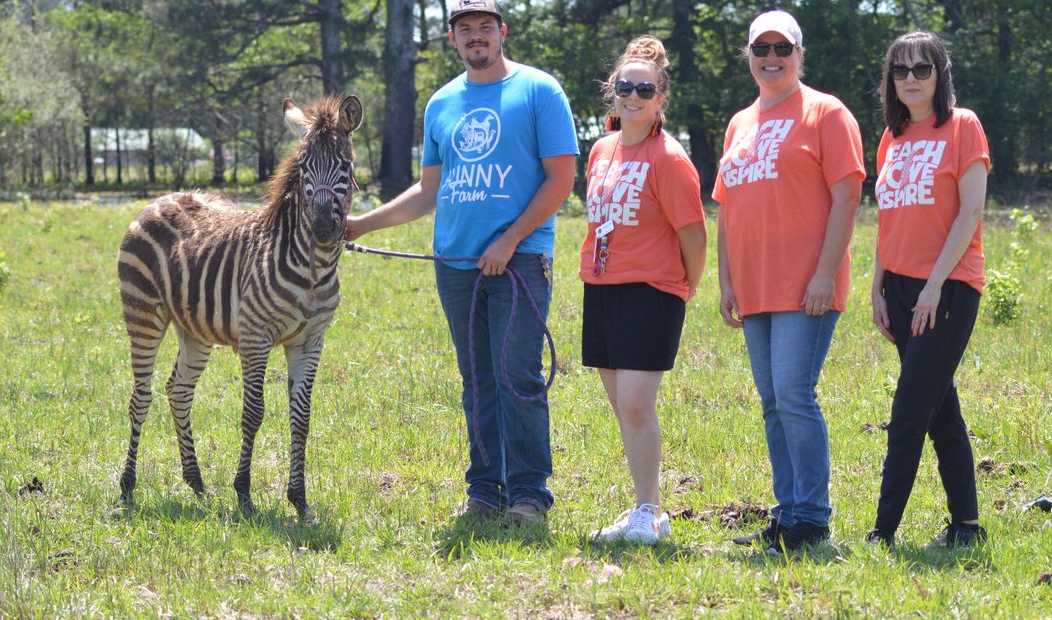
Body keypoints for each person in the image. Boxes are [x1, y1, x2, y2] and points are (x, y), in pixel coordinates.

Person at [345, 0, 578, 525]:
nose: (476, 36)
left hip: (519, 262)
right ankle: (484, 490)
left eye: (485, 27)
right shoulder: (442, 103)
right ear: (452, 38)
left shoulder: (540, 91)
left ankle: (528, 496)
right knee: (476, 380)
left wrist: (511, 240)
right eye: (465, 29)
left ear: (502, 32)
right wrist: (362, 223)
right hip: (455, 264)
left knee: (516, 375)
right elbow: (429, 191)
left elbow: (560, 180)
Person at [714, 9, 864, 554]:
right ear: (749, 56)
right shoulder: (739, 122)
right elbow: (727, 209)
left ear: (800, 54)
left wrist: (826, 272)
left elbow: (848, 195)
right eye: (762, 49)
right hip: (753, 287)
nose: (772, 58)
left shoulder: (826, 113)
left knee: (795, 395)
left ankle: (813, 519)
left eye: (783, 48)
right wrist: (726, 281)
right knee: (772, 399)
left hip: (806, 285)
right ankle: (787, 512)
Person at [580, 36, 707, 545]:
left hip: (653, 290)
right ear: (613, 91)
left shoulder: (670, 158)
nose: (633, 95)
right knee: (623, 407)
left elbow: (694, 234)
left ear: (660, 98)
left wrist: (685, 287)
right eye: (624, 86)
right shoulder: (601, 150)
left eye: (644, 89)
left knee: (635, 402)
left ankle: (650, 510)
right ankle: (641, 509)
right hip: (602, 286)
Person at [866, 31, 990, 549]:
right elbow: (888, 220)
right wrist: (877, 287)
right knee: (941, 409)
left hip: (947, 288)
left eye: (922, 69)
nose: (911, 79)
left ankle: (882, 533)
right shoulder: (891, 139)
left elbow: (971, 212)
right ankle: (966, 526)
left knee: (910, 410)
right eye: (901, 70)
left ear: (941, 74)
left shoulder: (962, 127)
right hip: (898, 289)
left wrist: (935, 285)